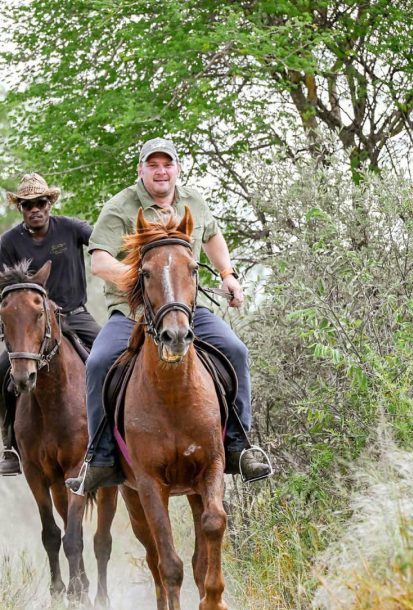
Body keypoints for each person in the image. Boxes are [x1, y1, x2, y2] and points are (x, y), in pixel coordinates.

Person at [73, 137, 272, 492]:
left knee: (237, 351)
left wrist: (228, 275)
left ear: (177, 169)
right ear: (141, 170)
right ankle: (100, 458)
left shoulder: (193, 200)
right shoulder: (120, 206)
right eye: (153, 165)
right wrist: (143, 279)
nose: (161, 171)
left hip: (187, 312)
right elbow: (100, 260)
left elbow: (212, 237)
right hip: (132, 313)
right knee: (99, 363)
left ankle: (239, 445)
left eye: (168, 164)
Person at [0, 173, 101, 475]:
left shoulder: (72, 229)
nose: (35, 209)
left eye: (40, 202)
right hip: (32, 324)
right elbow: (7, 291)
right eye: (27, 205)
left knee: (113, 358)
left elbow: (104, 242)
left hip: (74, 315)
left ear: (49, 203)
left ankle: (118, 434)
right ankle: (9, 445)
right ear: (20, 209)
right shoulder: (10, 241)